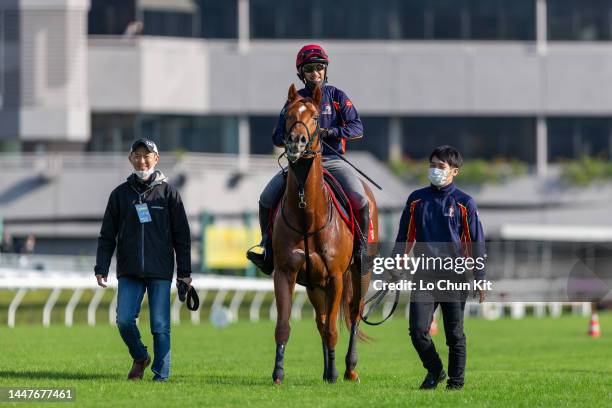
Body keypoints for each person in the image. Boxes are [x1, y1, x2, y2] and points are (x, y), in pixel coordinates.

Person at [247, 44, 369, 274]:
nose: (315, 73)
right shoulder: (294, 100)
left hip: (332, 161)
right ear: (301, 74)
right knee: (265, 199)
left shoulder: (336, 96)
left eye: (319, 68)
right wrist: (295, 137)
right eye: (310, 69)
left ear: (325, 70)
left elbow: (357, 128)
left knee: (361, 200)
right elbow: (277, 137)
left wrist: (331, 132)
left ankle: (362, 251)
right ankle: (267, 248)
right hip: (299, 164)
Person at [94, 138, 192, 382]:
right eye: (137, 155)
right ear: (130, 160)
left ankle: (161, 376)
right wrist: (101, 267)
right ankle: (140, 356)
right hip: (129, 270)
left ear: (156, 159)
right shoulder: (119, 195)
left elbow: (182, 237)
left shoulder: (169, 194)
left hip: (160, 270)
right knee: (124, 320)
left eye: (147, 155)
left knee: (160, 326)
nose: (142, 160)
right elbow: (107, 235)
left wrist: (185, 273)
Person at [394, 145, 486, 390]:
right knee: (417, 331)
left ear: (454, 171)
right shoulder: (416, 199)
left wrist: (480, 277)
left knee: (454, 335)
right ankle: (435, 370)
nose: (435, 170)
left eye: (441, 166)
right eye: (432, 165)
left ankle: (456, 384)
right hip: (423, 274)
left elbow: (476, 241)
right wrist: (395, 262)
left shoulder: (465, 203)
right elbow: (405, 235)